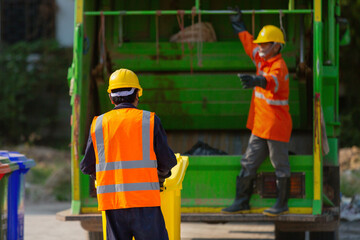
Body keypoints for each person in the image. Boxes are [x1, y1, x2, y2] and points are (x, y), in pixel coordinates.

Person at [80, 68, 177, 239]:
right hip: (145, 202)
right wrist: (160, 176)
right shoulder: (149, 120)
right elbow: (167, 162)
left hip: (113, 204)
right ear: (137, 95)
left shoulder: (99, 124)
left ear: (111, 97)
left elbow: (87, 166)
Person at [222, 9, 292, 216]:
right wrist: (238, 24)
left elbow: (272, 81)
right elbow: (248, 43)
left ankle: (282, 204)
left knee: (280, 165)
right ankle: (241, 201)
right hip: (261, 126)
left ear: (276, 46)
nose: (260, 48)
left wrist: (257, 81)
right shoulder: (262, 58)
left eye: (264, 44)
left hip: (276, 126)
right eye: (260, 44)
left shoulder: (279, 66)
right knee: (248, 163)